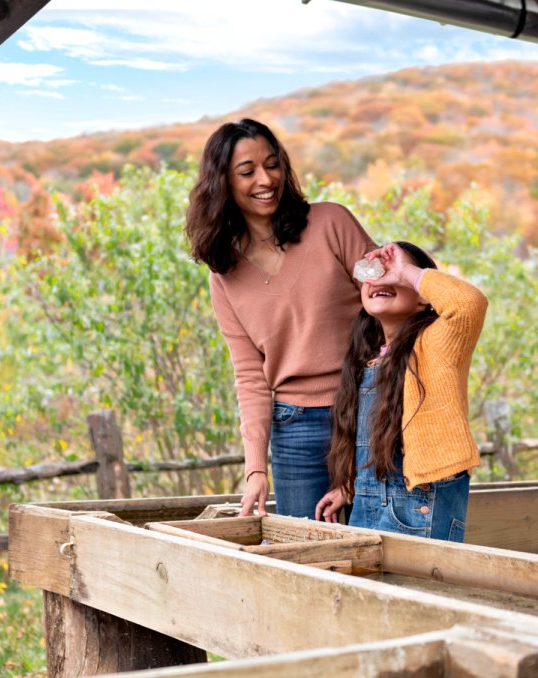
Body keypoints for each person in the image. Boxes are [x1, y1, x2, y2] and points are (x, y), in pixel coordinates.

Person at [185, 118, 375, 518]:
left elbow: (391, 300)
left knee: (378, 550)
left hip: (365, 411)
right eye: (247, 171)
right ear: (222, 182)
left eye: (272, 164)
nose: (265, 179)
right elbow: (250, 376)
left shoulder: (331, 224)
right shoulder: (224, 275)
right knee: (303, 562)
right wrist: (256, 468)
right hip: (294, 427)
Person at [315, 242, 487, 540]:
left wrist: (407, 271)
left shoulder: (436, 343)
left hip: (420, 501)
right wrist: (349, 487)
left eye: (393, 275)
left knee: (417, 586)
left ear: (423, 296)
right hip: (366, 505)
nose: (381, 279)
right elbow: (373, 444)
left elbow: (469, 304)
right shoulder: (365, 359)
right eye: (374, 274)